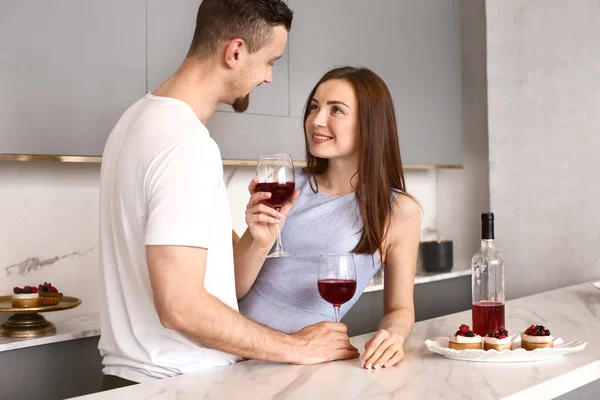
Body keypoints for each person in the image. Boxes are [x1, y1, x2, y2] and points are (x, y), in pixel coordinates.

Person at [98, 0, 358, 389]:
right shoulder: (185, 145)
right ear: (236, 52)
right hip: (176, 383)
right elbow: (181, 307)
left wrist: (257, 239)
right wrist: (295, 347)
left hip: (137, 379)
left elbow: (213, 287)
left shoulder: (134, 122)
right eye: (270, 61)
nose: (269, 77)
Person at [234, 66, 422, 370]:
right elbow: (232, 289)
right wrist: (258, 241)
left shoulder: (398, 211)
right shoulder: (285, 185)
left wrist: (393, 335)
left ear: (369, 124)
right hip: (230, 352)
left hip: (298, 368)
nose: (316, 120)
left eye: (336, 110)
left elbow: (400, 307)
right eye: (314, 107)